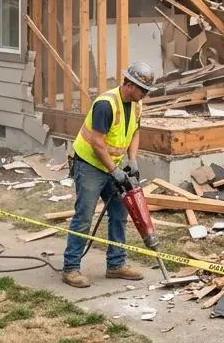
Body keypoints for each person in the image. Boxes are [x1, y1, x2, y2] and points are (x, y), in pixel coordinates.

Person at [61, 61, 156, 288]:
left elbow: (134, 133)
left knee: (119, 212)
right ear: (130, 85)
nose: (144, 95)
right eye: (142, 90)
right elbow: (96, 142)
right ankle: (71, 268)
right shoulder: (106, 104)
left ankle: (116, 264)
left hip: (111, 166)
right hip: (91, 165)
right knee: (84, 215)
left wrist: (132, 160)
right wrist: (114, 171)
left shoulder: (136, 105)